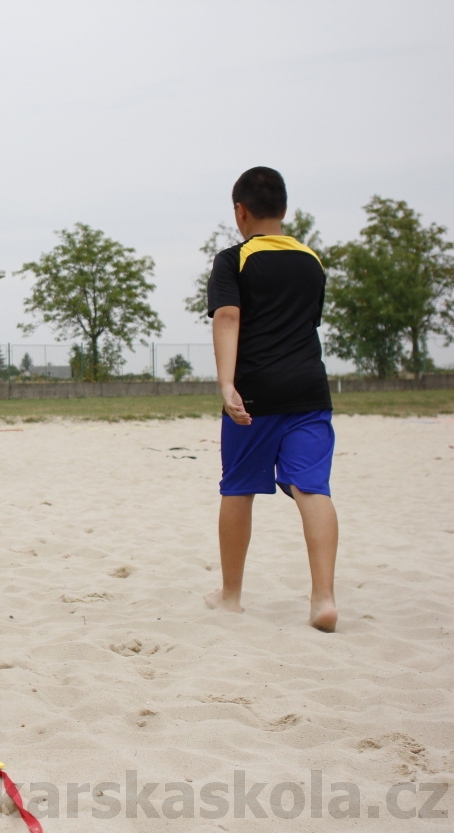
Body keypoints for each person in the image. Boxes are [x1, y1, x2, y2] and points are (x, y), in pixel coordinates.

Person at [204, 166, 339, 633]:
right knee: (313, 489)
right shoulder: (311, 260)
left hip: (255, 393)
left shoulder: (234, 259)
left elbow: (227, 316)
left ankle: (231, 596)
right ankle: (323, 597)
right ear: (284, 210)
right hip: (309, 389)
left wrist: (226, 385)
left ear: (240, 212)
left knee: (238, 487)